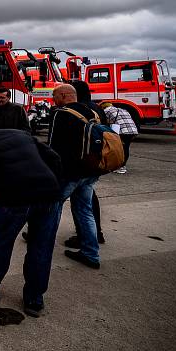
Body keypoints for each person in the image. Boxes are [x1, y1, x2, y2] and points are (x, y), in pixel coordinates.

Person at [0, 118, 63, 318]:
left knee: (2, 243)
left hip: (15, 199)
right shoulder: (20, 134)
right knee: (41, 247)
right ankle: (34, 299)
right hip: (49, 196)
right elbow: (54, 158)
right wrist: (54, 184)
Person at [48, 84, 101, 269]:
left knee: (52, 209)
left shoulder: (60, 113)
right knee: (85, 211)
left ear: (63, 95)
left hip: (69, 173)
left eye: (54, 96)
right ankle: (91, 254)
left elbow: (52, 147)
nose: (53, 100)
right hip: (90, 171)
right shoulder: (92, 112)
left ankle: (43, 249)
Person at [101, 102, 138, 174]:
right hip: (132, 130)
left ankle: (120, 167)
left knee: (118, 149)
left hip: (122, 131)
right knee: (125, 148)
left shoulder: (106, 111)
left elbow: (104, 122)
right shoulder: (123, 110)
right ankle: (122, 166)